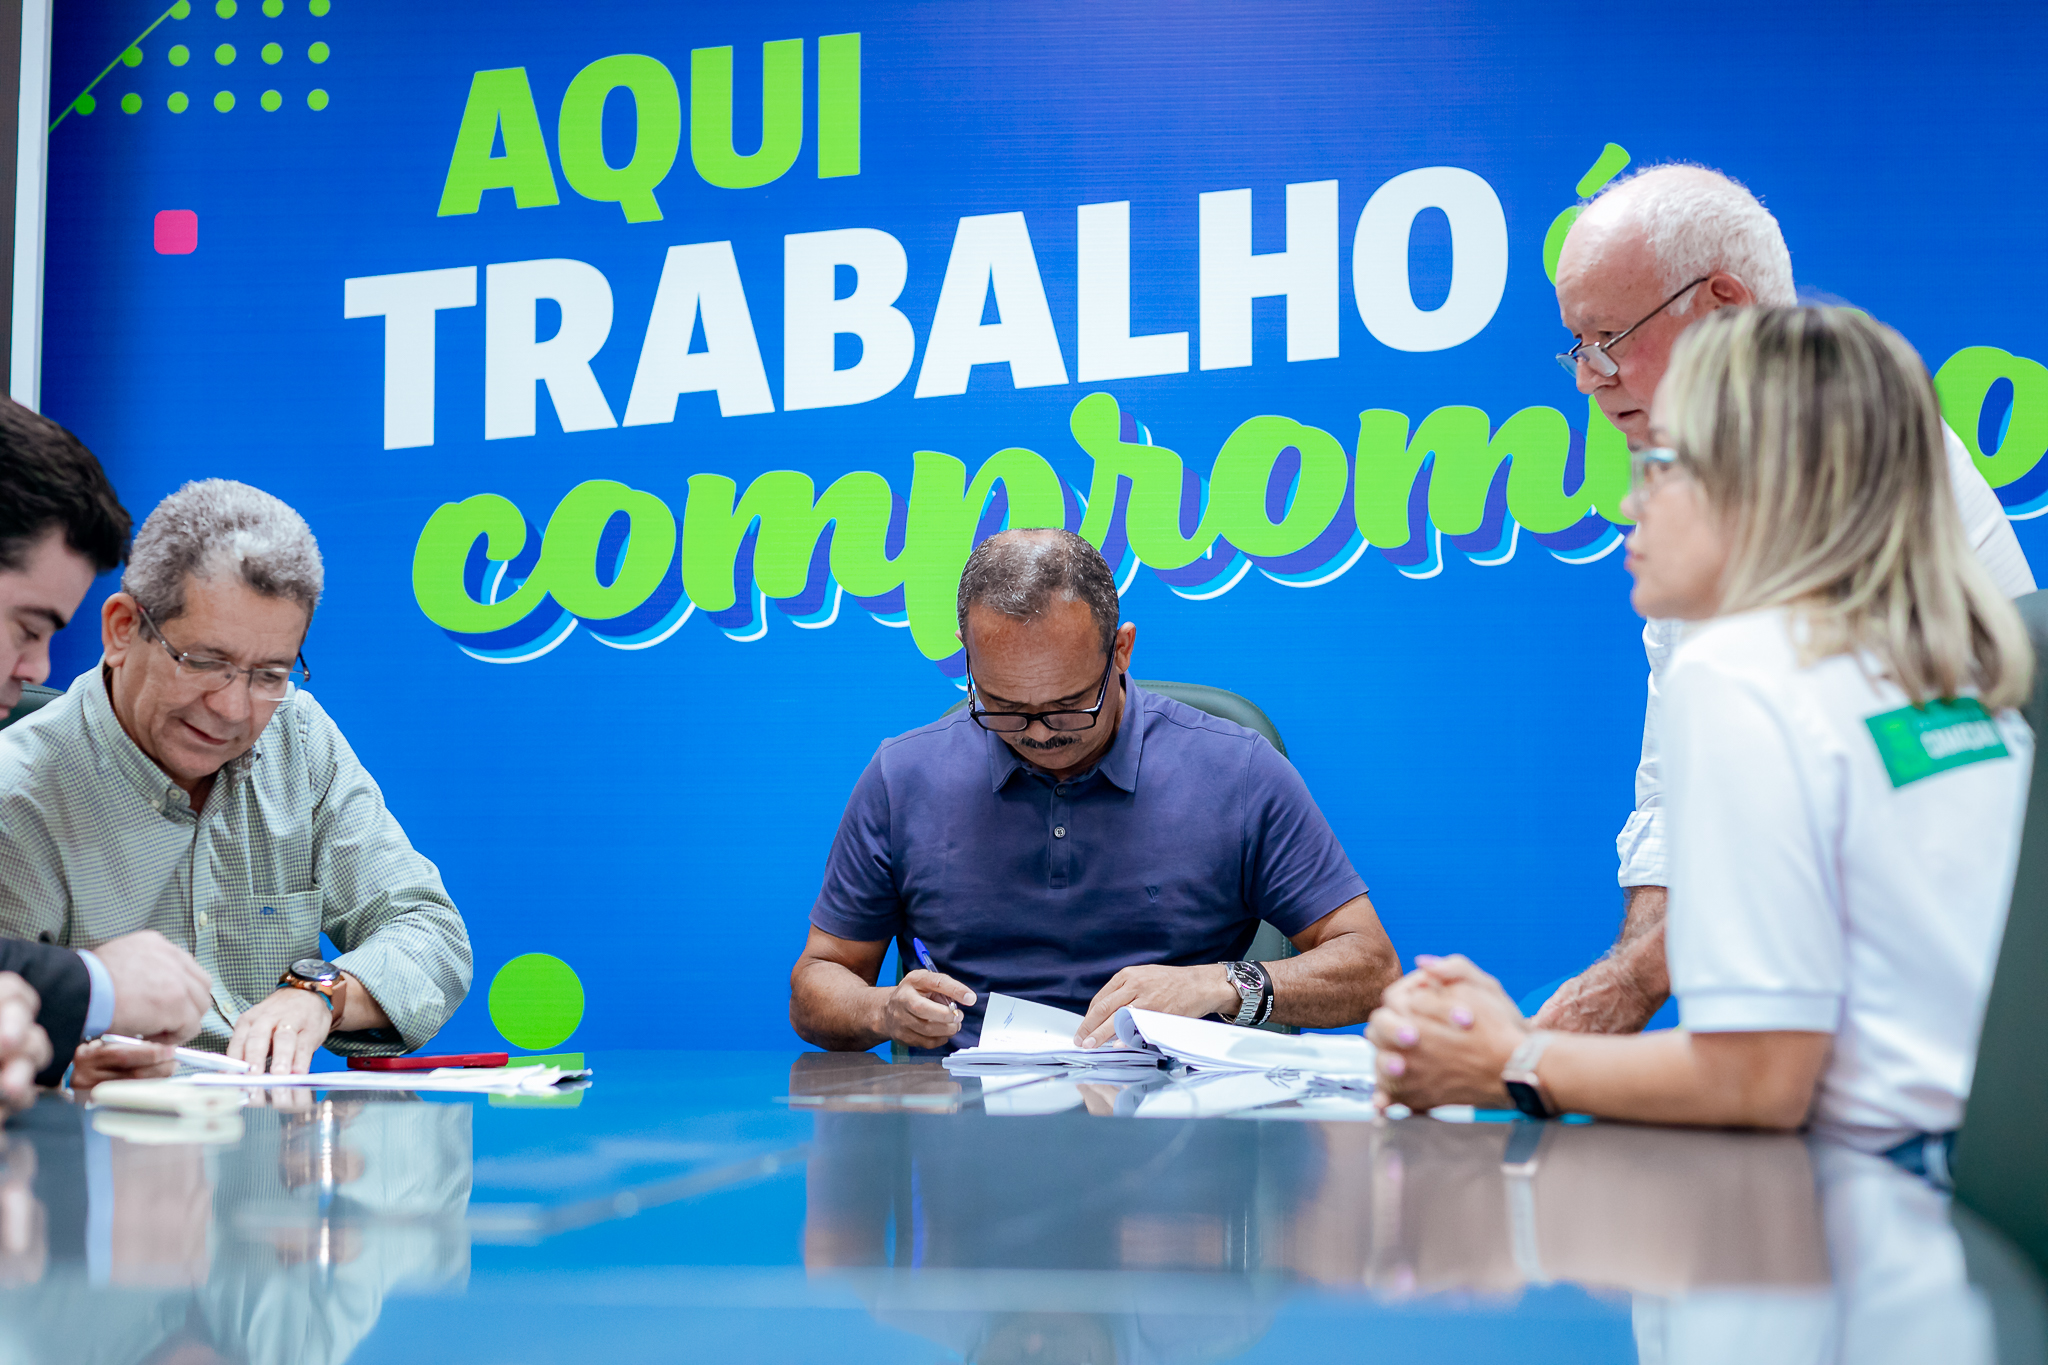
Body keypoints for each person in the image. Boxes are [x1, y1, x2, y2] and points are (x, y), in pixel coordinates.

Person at [1371, 306, 2032, 1159]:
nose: (1628, 501)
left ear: (1765, 488)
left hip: (1887, 1186)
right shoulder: (1937, 671)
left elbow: (1757, 1079)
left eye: (1661, 465)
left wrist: (1508, 1060)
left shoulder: (1744, 670)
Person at [1539, 164, 2035, 1034]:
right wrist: (1616, 999)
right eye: (1577, 346)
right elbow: (1673, 805)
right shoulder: (1729, 596)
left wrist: (1545, 1051)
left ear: (1724, 307)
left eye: (1608, 336)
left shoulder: (1837, 491)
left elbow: (1756, 1075)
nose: (1590, 376)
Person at [790, 528, 1399, 1053]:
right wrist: (882, 1010)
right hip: (965, 1125)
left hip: (1181, 1122)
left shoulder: (1236, 770)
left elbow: (1372, 969)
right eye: (1003, 706)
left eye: (1067, 705)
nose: (1037, 733)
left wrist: (1216, 984)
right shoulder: (903, 776)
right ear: (968, 660)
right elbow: (819, 980)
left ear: (1122, 651)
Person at [0, 478, 472, 1079]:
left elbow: (431, 933)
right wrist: (70, 1077)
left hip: (282, 1133)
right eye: (205, 662)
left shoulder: (298, 736)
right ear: (121, 629)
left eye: (270, 674)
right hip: (106, 1133)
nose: (232, 709)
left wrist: (320, 994)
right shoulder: (17, 793)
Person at [0, 398, 213, 1103]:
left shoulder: (305, 738)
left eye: (268, 674)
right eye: (27, 627)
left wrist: (37, 1048)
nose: (37, 669)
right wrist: (101, 984)